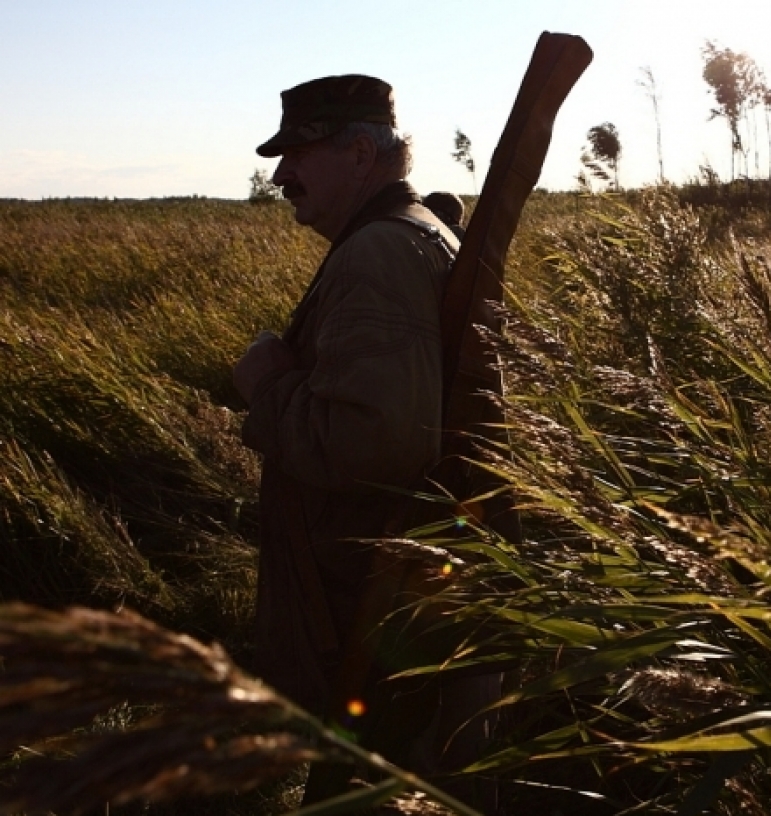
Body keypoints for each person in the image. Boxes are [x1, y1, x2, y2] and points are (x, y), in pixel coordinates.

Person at [233, 74, 496, 806]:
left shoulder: (378, 253)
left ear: (357, 153)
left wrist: (267, 386)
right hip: (392, 607)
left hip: (372, 622)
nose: (281, 173)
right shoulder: (410, 234)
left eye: (298, 152)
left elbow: (374, 445)